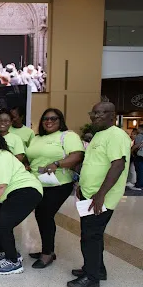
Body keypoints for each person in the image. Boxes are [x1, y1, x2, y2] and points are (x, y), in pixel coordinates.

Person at [68, 102, 130, 287]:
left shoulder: (117, 135)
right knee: (93, 235)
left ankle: (92, 278)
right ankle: (96, 269)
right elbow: (94, 164)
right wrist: (81, 185)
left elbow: (118, 165)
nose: (95, 116)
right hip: (90, 194)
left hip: (100, 198)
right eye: (93, 113)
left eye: (100, 113)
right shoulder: (99, 135)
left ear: (113, 115)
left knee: (90, 236)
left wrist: (101, 194)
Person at [0, 126, 43, 275]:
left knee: (2, 224)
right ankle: (11, 252)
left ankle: (14, 263)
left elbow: (0, 185)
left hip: (26, 190)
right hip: (11, 194)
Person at [25, 108, 84, 269]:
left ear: (60, 121)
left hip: (59, 183)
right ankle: (47, 249)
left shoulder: (68, 136)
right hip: (38, 183)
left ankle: (47, 253)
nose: (49, 121)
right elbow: (33, 157)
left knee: (44, 214)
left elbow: (77, 156)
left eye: (53, 119)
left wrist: (57, 164)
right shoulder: (37, 138)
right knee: (41, 215)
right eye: (45, 119)